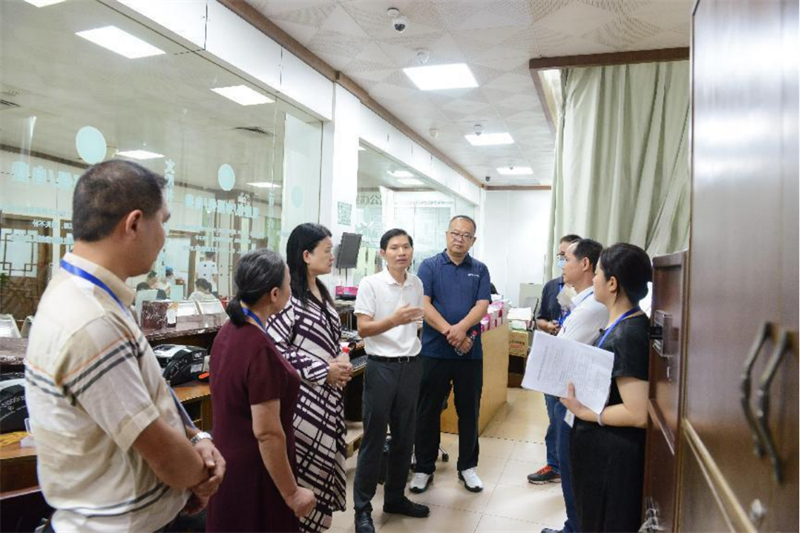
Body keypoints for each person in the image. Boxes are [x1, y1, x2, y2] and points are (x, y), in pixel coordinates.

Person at [24, 160, 225, 532]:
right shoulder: (90, 319)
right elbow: (161, 451)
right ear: (134, 224)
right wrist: (200, 474)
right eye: (162, 221)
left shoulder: (97, 297)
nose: (164, 237)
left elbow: (149, 395)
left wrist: (197, 436)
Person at [207, 249, 316, 533]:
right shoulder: (259, 348)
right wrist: (292, 493)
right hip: (257, 471)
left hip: (228, 463)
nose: (292, 289)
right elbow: (267, 432)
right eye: (289, 283)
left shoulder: (227, 332)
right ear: (275, 294)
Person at [266, 223, 353, 533]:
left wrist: (341, 360)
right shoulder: (287, 295)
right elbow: (275, 348)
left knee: (324, 468)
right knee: (305, 472)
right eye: (327, 251)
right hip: (303, 404)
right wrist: (322, 370)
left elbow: (331, 341)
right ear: (306, 255)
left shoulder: (322, 291)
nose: (332, 257)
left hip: (328, 398)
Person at [562, 243, 653, 533]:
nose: (594, 279)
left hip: (612, 457)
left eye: (598, 273)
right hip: (600, 453)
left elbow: (638, 413)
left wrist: (585, 412)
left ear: (612, 283)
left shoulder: (628, 334)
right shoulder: (620, 325)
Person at [352, 229, 429, 533]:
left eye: (406, 247)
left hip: (410, 366)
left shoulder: (416, 283)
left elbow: (416, 326)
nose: (402, 252)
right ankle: (362, 509)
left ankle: (395, 498)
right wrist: (394, 321)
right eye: (394, 247)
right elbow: (363, 329)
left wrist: (406, 335)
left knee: (404, 438)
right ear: (383, 253)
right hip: (381, 367)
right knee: (373, 440)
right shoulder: (370, 284)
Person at [410, 215, 491, 494]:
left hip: (470, 354)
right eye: (455, 233)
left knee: (469, 411)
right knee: (428, 411)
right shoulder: (430, 266)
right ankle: (423, 467)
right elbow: (424, 304)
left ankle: (468, 467)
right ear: (447, 235)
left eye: (466, 235)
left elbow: (482, 305)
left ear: (473, 240)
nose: (459, 239)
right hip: (434, 352)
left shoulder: (480, 269)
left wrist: (463, 330)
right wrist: (451, 332)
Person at [541, 239, 608, 533]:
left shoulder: (591, 308)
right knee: (570, 473)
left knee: (573, 474)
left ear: (585, 264)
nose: (562, 266)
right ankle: (572, 526)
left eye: (566, 259)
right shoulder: (579, 301)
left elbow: (562, 353)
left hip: (575, 402)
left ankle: (575, 529)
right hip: (569, 398)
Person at [528, 233, 581, 485]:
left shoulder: (589, 293)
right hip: (553, 360)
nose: (562, 261)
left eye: (566, 256)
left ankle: (569, 466)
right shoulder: (552, 286)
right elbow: (539, 319)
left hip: (575, 364)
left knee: (567, 420)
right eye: (560, 256)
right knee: (553, 416)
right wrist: (549, 326)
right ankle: (555, 464)